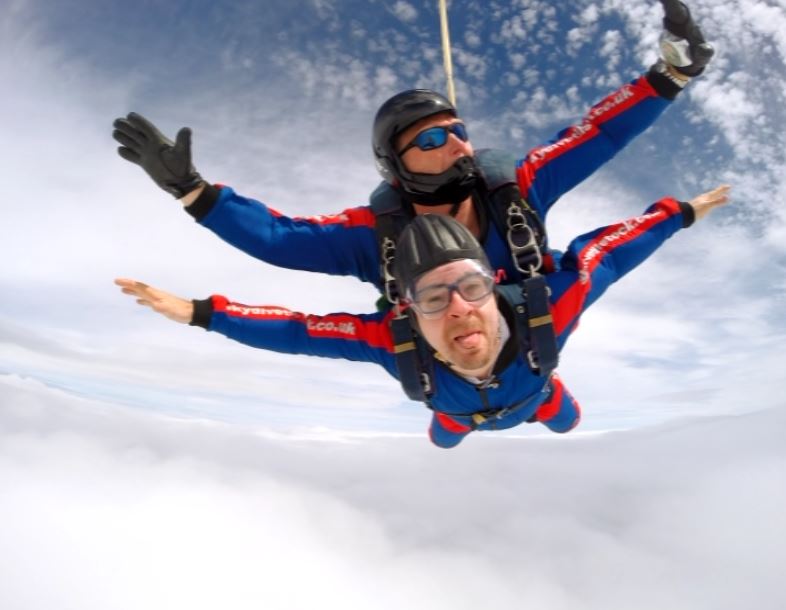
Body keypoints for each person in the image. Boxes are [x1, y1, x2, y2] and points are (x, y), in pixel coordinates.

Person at [112, 1, 714, 295]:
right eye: (431, 138)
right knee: (447, 429)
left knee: (558, 411)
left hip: (530, 347)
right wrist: (193, 192)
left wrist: (670, 76)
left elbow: (597, 134)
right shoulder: (377, 238)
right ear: (396, 165)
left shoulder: (519, 187)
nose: (454, 141)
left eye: (458, 130)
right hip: (444, 373)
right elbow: (280, 240)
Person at [115, 185, 730, 448]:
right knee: (442, 438)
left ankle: (536, 409)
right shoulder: (393, 343)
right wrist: (201, 313)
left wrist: (679, 212)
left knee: (569, 422)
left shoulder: (551, 309)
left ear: (496, 287)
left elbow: (610, 253)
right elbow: (300, 333)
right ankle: (456, 429)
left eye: (470, 286)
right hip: (454, 415)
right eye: (434, 298)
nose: (459, 307)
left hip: (539, 397)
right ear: (409, 310)